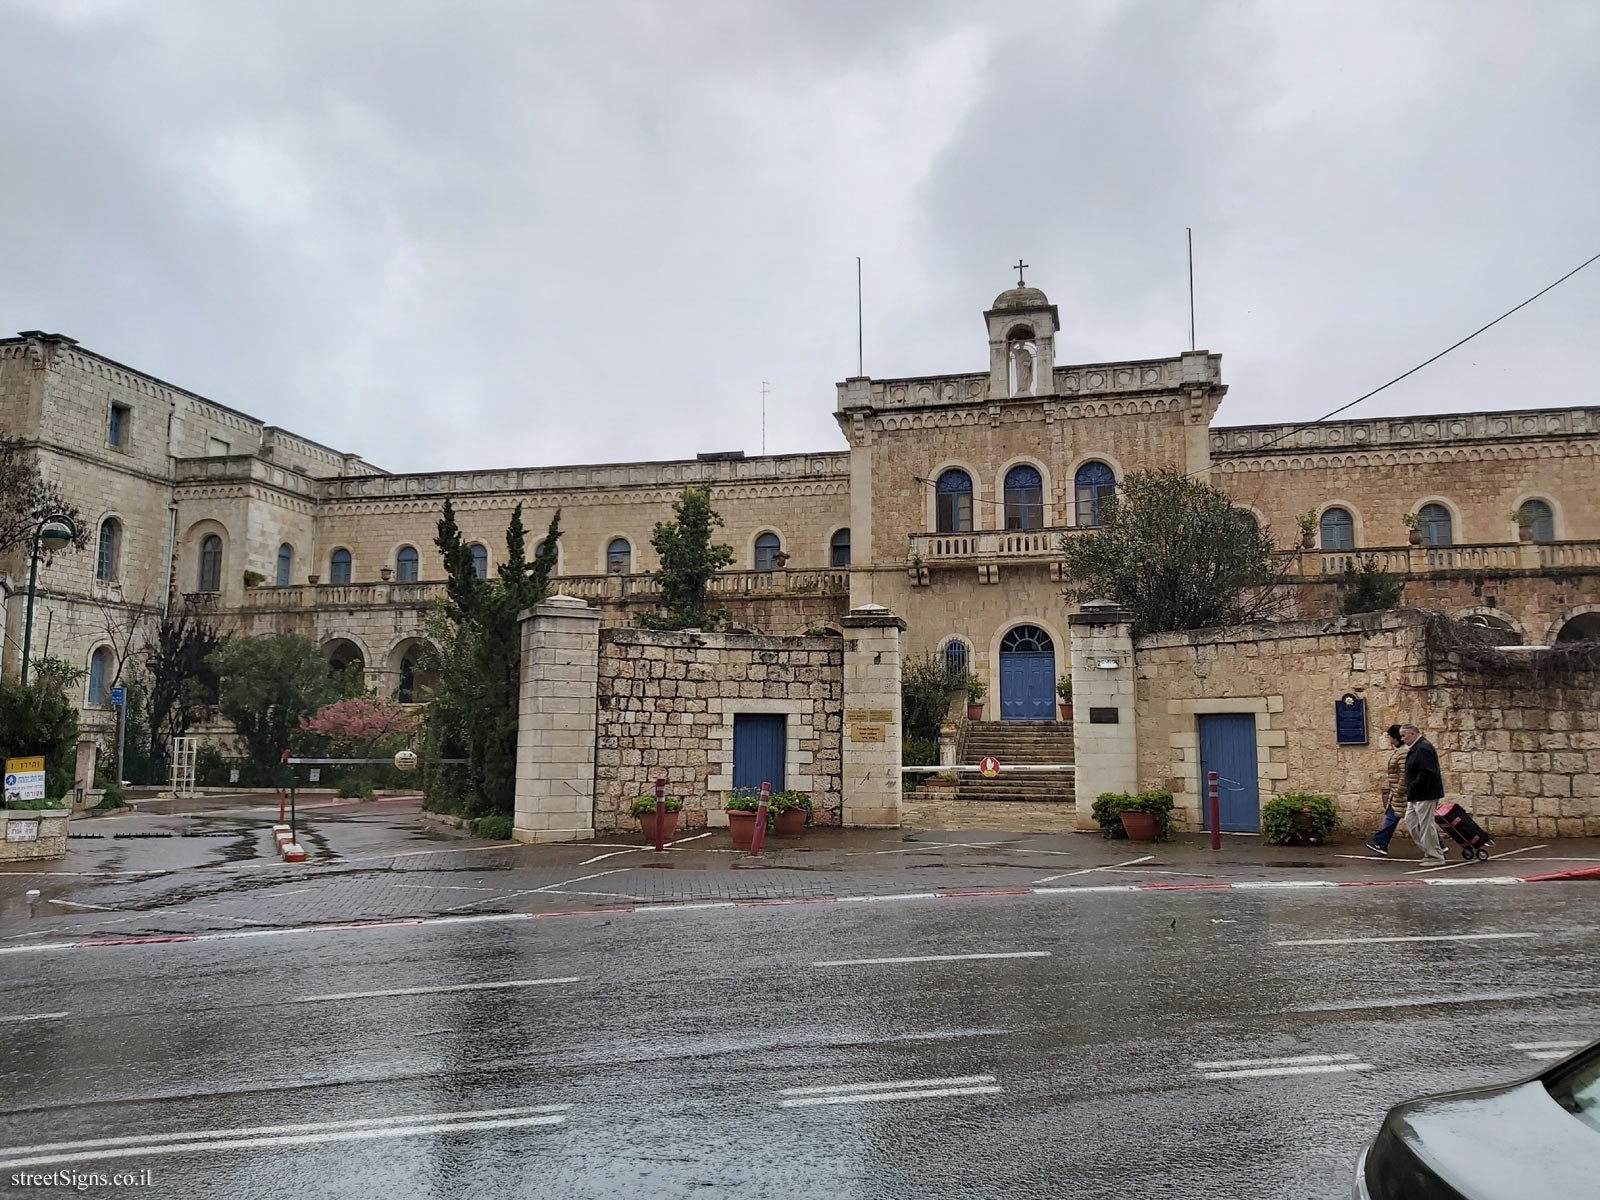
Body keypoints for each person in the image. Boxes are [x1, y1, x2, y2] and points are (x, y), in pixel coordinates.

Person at [1399, 722, 1447, 863]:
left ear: (1413, 734)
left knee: (1426, 825)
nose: (1402, 739)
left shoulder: (1423, 748)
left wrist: (1413, 785)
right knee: (1412, 822)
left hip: (1426, 793)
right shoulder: (1417, 748)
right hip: (1415, 795)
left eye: (1404, 736)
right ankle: (1428, 850)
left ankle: (1435, 855)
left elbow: (1427, 771)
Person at [1365, 725, 1408, 856]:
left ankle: (1380, 841)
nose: (1388, 739)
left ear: (1394, 737)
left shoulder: (1402, 752)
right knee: (1392, 817)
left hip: (1401, 794)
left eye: (1389, 736)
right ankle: (1381, 842)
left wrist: (1399, 790)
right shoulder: (1400, 751)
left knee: (1417, 820)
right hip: (1398, 793)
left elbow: (1405, 774)